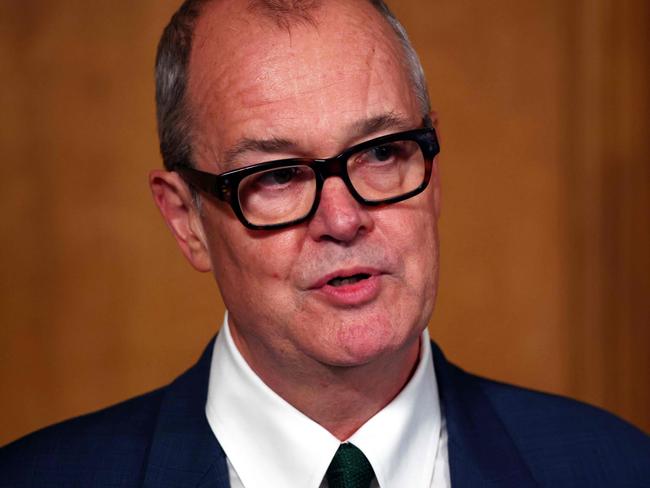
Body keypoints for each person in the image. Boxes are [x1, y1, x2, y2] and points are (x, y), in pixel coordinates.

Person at [1, 0, 648, 486]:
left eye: (381, 153)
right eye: (277, 174)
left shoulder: (618, 468)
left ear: (433, 170)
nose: (343, 218)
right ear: (186, 219)